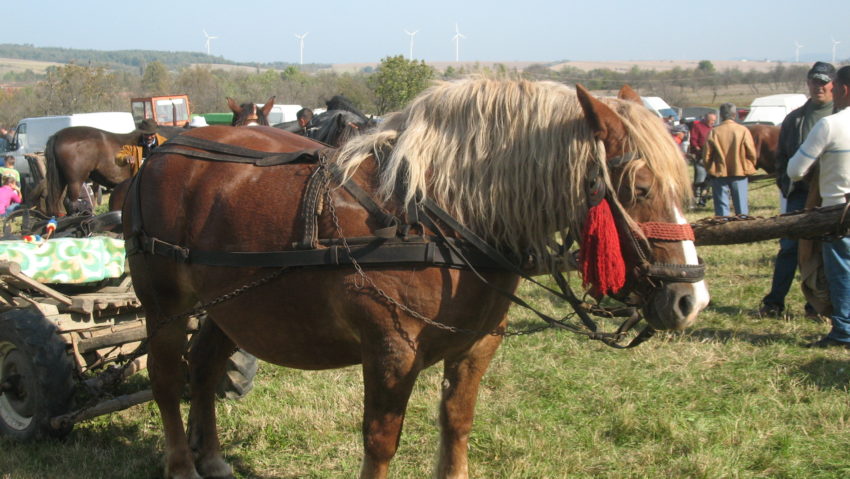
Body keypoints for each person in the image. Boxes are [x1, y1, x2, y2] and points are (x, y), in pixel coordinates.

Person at [758, 61, 836, 318]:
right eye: (814, 81)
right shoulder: (794, 119)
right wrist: (786, 184)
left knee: (825, 250)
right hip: (799, 193)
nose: (819, 87)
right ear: (808, 83)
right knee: (789, 247)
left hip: (830, 194)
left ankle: (817, 304)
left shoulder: (839, 116)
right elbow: (781, 157)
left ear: (834, 84)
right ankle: (774, 301)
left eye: (823, 82)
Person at [786, 65, 850, 348]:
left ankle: (844, 331)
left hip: (839, 212)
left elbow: (795, 170)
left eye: (834, 87)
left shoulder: (830, 125)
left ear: (844, 90)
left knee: (842, 273)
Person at [704, 102, 758, 216]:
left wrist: (711, 169)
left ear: (721, 115)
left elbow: (706, 156)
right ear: (735, 115)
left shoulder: (714, 132)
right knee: (742, 209)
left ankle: (723, 231)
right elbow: (752, 153)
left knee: (721, 211)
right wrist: (748, 166)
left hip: (719, 173)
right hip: (739, 172)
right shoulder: (743, 130)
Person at [689, 112, 716, 206]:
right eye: (711, 120)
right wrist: (699, 150)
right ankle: (692, 198)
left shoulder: (713, 129)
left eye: (714, 121)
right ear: (706, 119)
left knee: (708, 181)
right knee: (699, 180)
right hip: (700, 157)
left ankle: (703, 199)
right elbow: (693, 141)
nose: (712, 122)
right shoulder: (698, 126)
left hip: (711, 159)